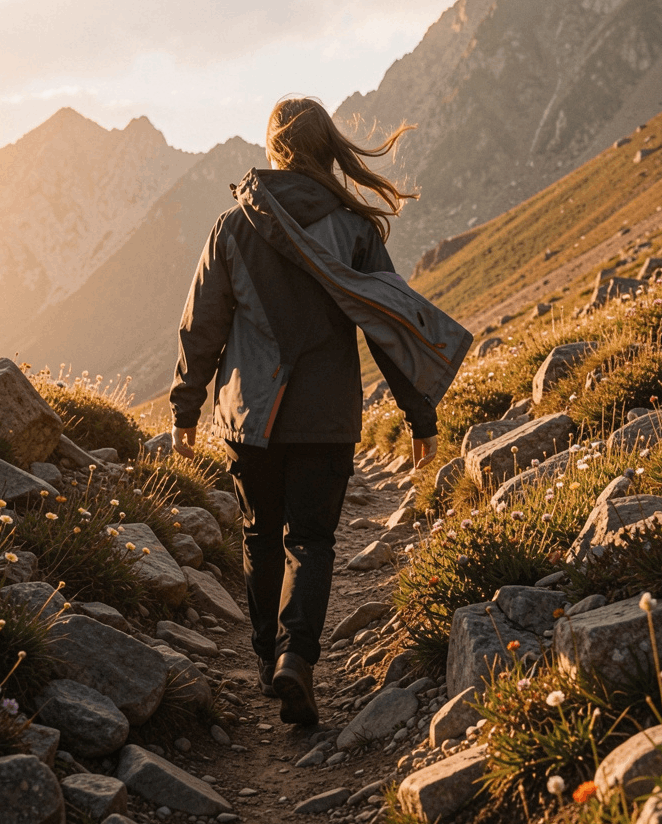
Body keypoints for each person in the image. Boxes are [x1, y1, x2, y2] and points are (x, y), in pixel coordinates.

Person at [169, 97, 471, 726]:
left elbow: (202, 328)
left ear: (274, 148)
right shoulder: (356, 231)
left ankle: (265, 660)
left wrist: (185, 410)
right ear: (328, 147)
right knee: (311, 541)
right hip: (325, 416)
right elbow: (389, 327)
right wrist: (420, 415)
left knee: (260, 535)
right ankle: (296, 660)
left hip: (248, 418)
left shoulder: (233, 226)